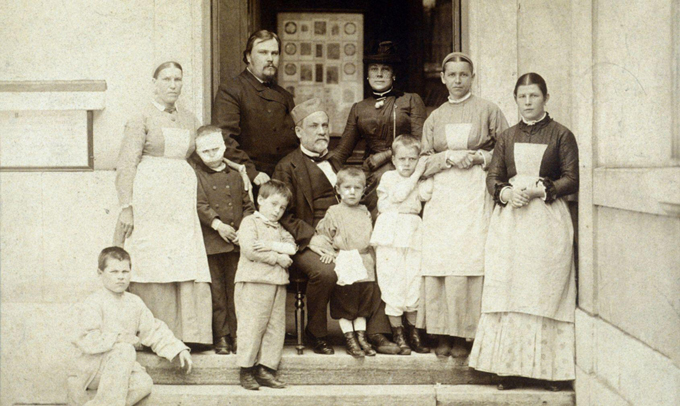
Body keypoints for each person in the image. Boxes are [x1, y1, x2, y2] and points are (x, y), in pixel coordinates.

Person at [469, 73, 579, 391]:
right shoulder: (506, 136)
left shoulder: (561, 135)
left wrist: (538, 190)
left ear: (545, 98)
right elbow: (494, 175)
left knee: (544, 288)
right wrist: (504, 193)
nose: (528, 102)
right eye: (522, 97)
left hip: (547, 219)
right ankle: (509, 369)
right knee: (511, 288)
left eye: (533, 96)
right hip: (512, 223)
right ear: (515, 99)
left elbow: (572, 178)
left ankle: (549, 373)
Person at [273, 98, 400, 355]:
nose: (322, 131)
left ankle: (376, 332)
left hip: (346, 236)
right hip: (308, 239)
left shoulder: (335, 162)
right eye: (314, 126)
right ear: (298, 131)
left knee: (377, 259)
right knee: (326, 271)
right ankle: (316, 332)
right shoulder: (287, 166)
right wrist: (311, 239)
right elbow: (283, 215)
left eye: (325, 125)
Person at [417, 52, 509, 358]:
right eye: (451, 75)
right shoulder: (435, 116)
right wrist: (444, 158)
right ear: (442, 78)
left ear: (472, 77)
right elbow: (420, 161)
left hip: (473, 194)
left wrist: (480, 157)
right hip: (443, 196)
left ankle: (466, 335)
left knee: (469, 261)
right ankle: (442, 334)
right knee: (442, 262)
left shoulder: (488, 110)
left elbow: (507, 151)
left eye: (463, 75)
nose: (457, 80)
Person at [115, 61, 212, 346]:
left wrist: (239, 169)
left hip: (180, 202)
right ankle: (151, 333)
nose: (173, 85)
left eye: (178, 79)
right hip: (149, 200)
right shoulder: (140, 118)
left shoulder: (190, 119)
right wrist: (126, 206)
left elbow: (204, 153)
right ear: (154, 83)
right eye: (167, 79)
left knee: (182, 257)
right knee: (152, 258)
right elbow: (126, 163)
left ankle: (187, 334)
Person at [67, 247, 192, 406]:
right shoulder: (94, 302)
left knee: (143, 382)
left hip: (118, 370)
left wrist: (177, 348)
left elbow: (153, 329)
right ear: (100, 273)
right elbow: (85, 338)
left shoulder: (134, 302)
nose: (120, 277)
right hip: (92, 369)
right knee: (124, 349)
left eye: (125, 272)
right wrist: (118, 339)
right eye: (114, 272)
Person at [334, 41, 426, 219]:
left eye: (385, 69)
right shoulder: (359, 108)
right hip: (371, 176)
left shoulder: (411, 100)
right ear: (367, 75)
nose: (379, 74)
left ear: (393, 75)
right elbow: (342, 151)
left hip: (404, 173)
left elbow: (420, 143)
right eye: (373, 69)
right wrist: (325, 170)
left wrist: (384, 155)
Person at [193, 125, 256, 355]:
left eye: (216, 149)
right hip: (212, 242)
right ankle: (221, 336)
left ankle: (239, 334)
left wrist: (243, 229)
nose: (212, 155)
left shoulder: (237, 175)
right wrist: (217, 224)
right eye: (205, 151)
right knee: (217, 293)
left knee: (237, 291)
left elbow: (249, 206)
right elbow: (200, 205)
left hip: (236, 243)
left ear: (223, 147)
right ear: (198, 152)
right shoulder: (197, 176)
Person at [212, 30, 299, 189]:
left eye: (274, 53)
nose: (270, 59)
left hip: (283, 180)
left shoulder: (285, 96)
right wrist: (252, 173)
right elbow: (224, 138)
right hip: (249, 179)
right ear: (248, 57)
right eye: (263, 52)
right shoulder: (231, 90)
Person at [310, 167, 382, 357]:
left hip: (365, 262)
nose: (352, 192)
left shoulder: (365, 211)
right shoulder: (334, 211)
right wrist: (329, 253)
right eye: (347, 187)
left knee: (362, 304)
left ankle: (361, 337)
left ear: (363, 190)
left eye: (357, 188)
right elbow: (322, 236)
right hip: (346, 262)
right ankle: (349, 338)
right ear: (338, 190)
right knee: (345, 303)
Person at [370, 135, 433, 354]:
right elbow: (399, 195)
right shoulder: (389, 177)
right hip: (391, 232)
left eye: (413, 159)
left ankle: (413, 333)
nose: (407, 164)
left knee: (413, 283)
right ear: (394, 160)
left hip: (413, 231)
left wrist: (430, 169)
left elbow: (427, 192)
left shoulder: (418, 179)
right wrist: (418, 173)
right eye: (402, 159)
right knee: (393, 282)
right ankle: (398, 334)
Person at [235, 180, 296, 390]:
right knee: (252, 326)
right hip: (254, 282)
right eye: (274, 204)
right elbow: (250, 250)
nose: (277, 211)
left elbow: (292, 248)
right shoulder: (249, 222)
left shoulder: (279, 228)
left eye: (282, 208)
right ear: (260, 200)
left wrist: (271, 247)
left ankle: (266, 369)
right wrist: (277, 258)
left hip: (278, 283)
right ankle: (246, 369)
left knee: (275, 328)